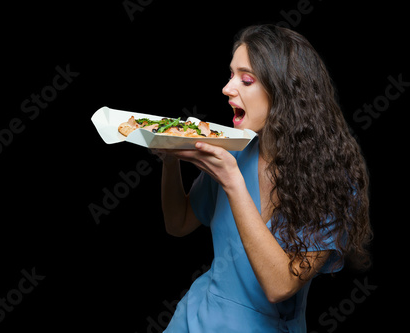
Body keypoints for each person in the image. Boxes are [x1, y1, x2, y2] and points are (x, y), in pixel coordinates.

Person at [154, 25, 372, 332]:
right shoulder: (235, 152)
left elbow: (279, 285)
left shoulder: (331, 182)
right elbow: (178, 224)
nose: (227, 88)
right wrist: (171, 159)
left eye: (245, 79)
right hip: (195, 318)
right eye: (230, 75)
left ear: (284, 92)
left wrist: (232, 180)